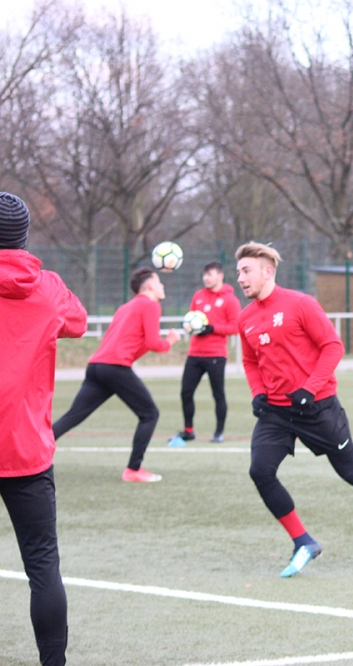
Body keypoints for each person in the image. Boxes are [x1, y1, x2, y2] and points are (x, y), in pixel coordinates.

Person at [235, 242, 353, 577]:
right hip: (276, 413)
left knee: (352, 473)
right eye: (238, 272)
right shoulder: (245, 318)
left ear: (268, 272)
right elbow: (250, 361)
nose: (240, 278)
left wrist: (309, 389)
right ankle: (303, 541)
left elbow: (333, 346)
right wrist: (258, 393)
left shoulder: (300, 304)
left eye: (246, 271)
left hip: (318, 408)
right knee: (260, 471)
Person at [0, 192, 87, 666]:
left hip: (24, 451)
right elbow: (78, 321)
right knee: (42, 567)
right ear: (24, 236)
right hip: (26, 450)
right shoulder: (48, 288)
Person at [53, 267, 181, 482]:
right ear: (150, 286)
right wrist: (169, 342)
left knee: (72, 416)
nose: (163, 286)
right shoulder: (150, 305)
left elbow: (135, 344)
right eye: (159, 282)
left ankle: (30, 455)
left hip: (96, 366)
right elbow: (153, 343)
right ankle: (133, 470)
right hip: (114, 368)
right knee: (150, 414)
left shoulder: (126, 307)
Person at [170, 261, 241, 446]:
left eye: (210, 274)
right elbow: (191, 320)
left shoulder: (230, 300)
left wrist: (212, 328)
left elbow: (235, 327)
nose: (206, 278)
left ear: (220, 276)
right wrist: (192, 327)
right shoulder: (198, 296)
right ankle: (188, 431)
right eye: (205, 275)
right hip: (195, 353)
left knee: (218, 394)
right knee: (186, 392)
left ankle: (219, 432)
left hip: (216, 355)